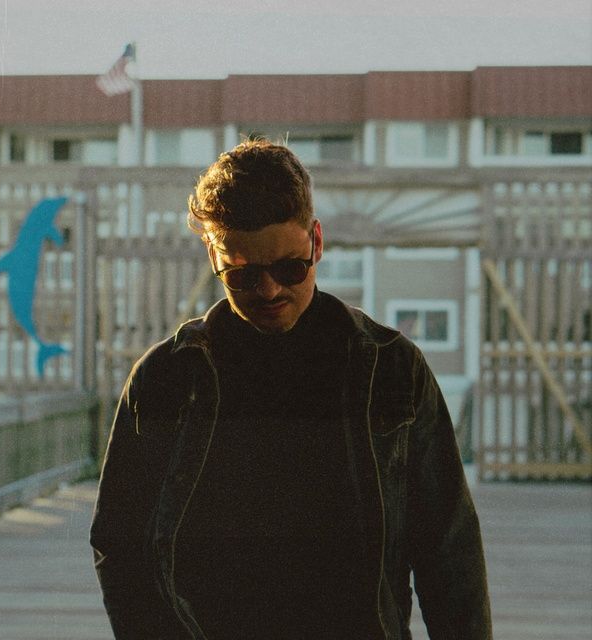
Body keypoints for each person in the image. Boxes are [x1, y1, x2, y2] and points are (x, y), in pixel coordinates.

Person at [90, 138, 492, 639]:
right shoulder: (165, 378)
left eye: (289, 267)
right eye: (242, 274)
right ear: (213, 255)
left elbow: (448, 549)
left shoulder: (392, 369)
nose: (270, 290)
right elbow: (121, 545)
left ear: (316, 242)